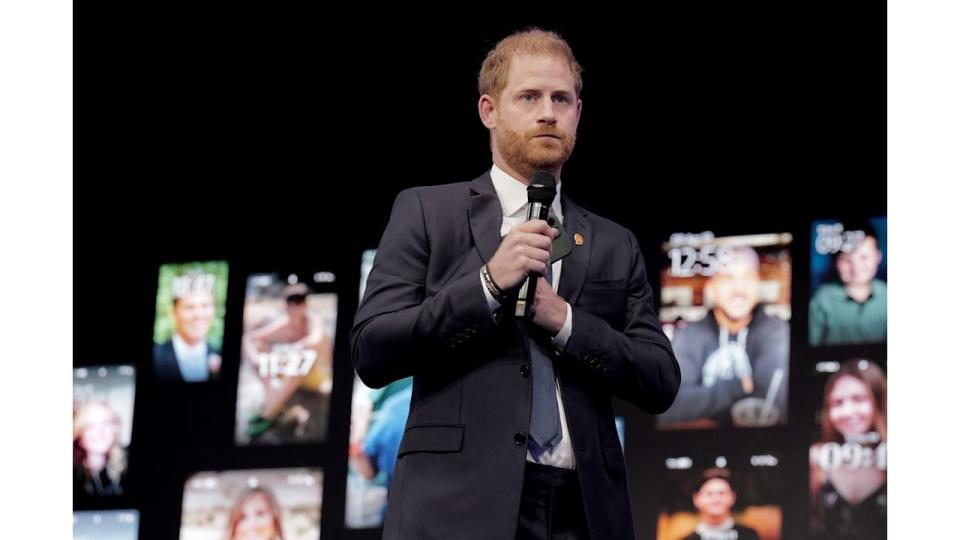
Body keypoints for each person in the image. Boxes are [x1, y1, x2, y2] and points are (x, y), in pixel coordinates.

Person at [350, 28, 680, 539]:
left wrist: (566, 322)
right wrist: (487, 286)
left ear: (578, 113)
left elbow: (660, 379)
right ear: (489, 111)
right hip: (458, 508)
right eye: (528, 97)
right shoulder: (425, 211)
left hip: (587, 512)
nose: (548, 112)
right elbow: (373, 350)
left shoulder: (615, 242)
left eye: (561, 98)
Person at [658, 246, 789, 428]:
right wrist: (739, 387)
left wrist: (702, 403)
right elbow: (666, 407)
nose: (739, 289)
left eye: (747, 277)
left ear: (758, 283)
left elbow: (775, 404)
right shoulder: (690, 333)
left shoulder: (776, 331)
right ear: (711, 288)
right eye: (728, 278)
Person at [241, 283, 333, 441]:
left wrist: (294, 348)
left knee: (303, 359)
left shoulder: (313, 320)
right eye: (291, 300)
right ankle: (274, 406)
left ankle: (269, 414)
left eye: (299, 300)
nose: (295, 306)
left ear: (305, 304)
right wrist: (257, 360)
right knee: (262, 350)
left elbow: (315, 338)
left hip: (320, 378)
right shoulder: (284, 323)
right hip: (295, 376)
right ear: (285, 304)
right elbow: (250, 338)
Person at [809, 359, 887, 540]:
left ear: (879, 401)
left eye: (858, 399)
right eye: (837, 403)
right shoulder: (816, 458)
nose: (847, 412)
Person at [809, 223, 887, 346]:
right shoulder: (821, 299)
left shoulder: (887, 294)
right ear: (835, 262)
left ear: (878, 256)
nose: (856, 267)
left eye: (864, 257)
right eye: (846, 259)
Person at [154, 273, 222, 383]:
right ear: (174, 313)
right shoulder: (156, 356)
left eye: (205, 306)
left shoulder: (219, 355)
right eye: (189, 308)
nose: (199, 315)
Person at [683, 469, 760, 540]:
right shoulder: (688, 539)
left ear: (733, 497)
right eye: (709, 494)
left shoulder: (749, 536)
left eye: (722, 493)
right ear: (696, 499)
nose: (716, 499)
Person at [73, 400, 126, 496]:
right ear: (79, 434)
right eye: (90, 426)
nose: (100, 432)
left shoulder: (124, 467)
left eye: (106, 423)